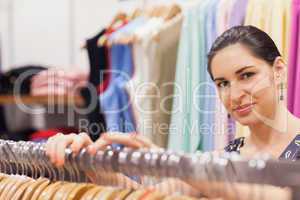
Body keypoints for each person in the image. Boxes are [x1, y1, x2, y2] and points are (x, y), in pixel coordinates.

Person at [45, 25, 300, 199]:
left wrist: (170, 162)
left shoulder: (208, 168)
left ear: (278, 70)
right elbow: (145, 196)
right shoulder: (222, 159)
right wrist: (93, 162)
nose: (234, 94)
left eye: (247, 75)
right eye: (223, 83)